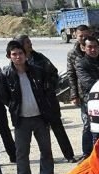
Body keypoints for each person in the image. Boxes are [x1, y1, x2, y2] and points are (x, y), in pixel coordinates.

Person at [0, 40, 54, 174]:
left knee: (46, 149)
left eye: (20, 53)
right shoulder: (5, 74)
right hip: (21, 119)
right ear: (9, 56)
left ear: (25, 54)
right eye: (14, 54)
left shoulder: (37, 70)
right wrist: (14, 107)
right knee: (22, 152)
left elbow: (47, 90)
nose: (18, 57)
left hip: (40, 117)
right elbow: (3, 96)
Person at [18, 35, 74, 163]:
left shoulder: (40, 58)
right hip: (33, 104)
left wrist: (49, 86)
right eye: (27, 42)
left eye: (30, 41)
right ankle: (48, 159)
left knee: (58, 128)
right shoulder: (18, 62)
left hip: (49, 101)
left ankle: (69, 155)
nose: (30, 44)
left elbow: (54, 72)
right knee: (42, 134)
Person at [76, 35, 99, 155]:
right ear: (84, 48)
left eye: (95, 47)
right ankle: (87, 154)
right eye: (90, 47)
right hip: (90, 100)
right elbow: (88, 83)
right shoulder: (81, 63)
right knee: (90, 127)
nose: (93, 50)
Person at [66, 24, 92, 157]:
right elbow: (71, 75)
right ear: (75, 36)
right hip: (83, 94)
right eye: (80, 35)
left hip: (98, 92)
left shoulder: (97, 49)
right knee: (87, 123)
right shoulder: (72, 54)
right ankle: (86, 152)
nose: (83, 38)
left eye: (86, 35)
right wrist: (74, 95)